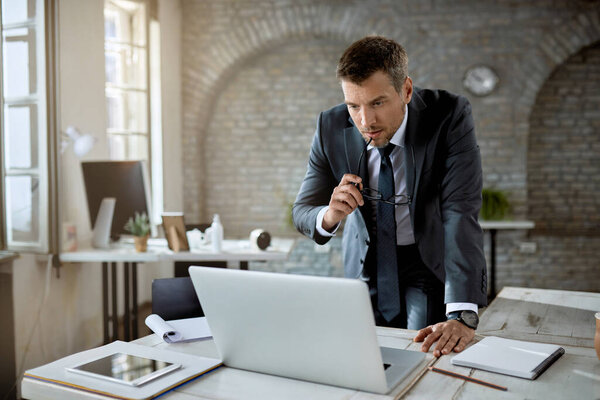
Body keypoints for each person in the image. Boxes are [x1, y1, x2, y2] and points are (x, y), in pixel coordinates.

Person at [292, 36, 487, 357]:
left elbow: (459, 211)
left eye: (377, 103)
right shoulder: (330, 125)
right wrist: (329, 215)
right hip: (364, 267)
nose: (365, 121)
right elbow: (302, 210)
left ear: (406, 90)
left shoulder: (448, 115)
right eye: (354, 106)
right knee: (361, 359)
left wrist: (462, 313)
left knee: (421, 356)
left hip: (425, 263)